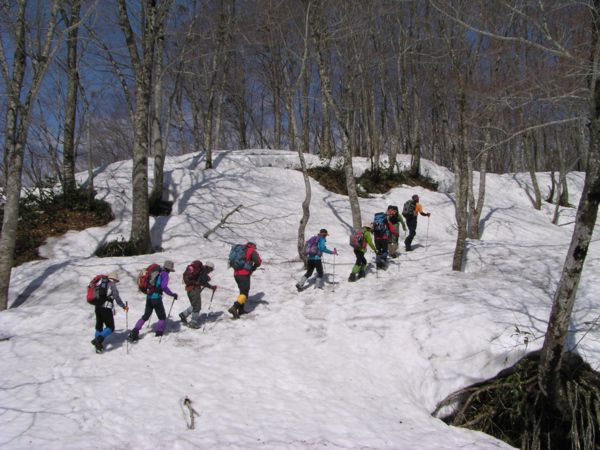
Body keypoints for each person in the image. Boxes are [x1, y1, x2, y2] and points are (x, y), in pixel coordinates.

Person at [128, 260, 179, 340]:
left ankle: (134, 331)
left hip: (149, 296)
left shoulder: (156, 272)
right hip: (156, 298)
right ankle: (159, 334)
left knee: (145, 316)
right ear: (169, 269)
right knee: (162, 317)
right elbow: (164, 287)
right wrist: (172, 294)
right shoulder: (165, 274)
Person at [90, 271, 128, 353]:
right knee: (110, 327)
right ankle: (98, 340)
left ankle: (98, 346)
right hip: (106, 307)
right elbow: (117, 297)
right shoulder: (112, 284)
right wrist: (123, 306)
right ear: (114, 279)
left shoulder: (100, 283)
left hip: (97, 306)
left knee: (99, 326)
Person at [228, 242, 262, 319]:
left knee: (242, 292)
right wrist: (254, 267)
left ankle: (241, 310)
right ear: (254, 246)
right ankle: (234, 307)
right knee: (244, 293)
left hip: (236, 274)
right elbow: (258, 262)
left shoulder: (241, 249)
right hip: (244, 274)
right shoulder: (251, 250)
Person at [179, 261, 217, 328]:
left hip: (189, 289)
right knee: (197, 306)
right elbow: (203, 282)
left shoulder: (200, 270)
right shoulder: (203, 271)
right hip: (194, 289)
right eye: (211, 270)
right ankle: (193, 323)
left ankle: (183, 314)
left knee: (194, 304)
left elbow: (200, 280)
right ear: (209, 268)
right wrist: (211, 287)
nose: (210, 271)